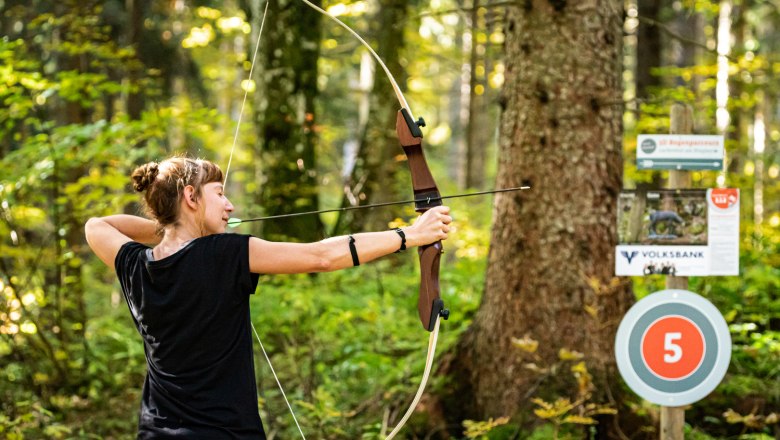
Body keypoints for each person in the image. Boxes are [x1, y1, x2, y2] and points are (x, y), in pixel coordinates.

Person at [84, 156, 452, 439]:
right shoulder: (222, 254)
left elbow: (97, 226)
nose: (229, 206)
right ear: (190, 197)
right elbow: (320, 257)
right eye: (219, 194)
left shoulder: (134, 265)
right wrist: (410, 235)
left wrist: (172, 229)